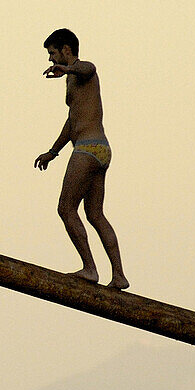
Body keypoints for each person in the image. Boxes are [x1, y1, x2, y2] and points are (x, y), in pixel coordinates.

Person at [34, 28, 129, 290]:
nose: (51, 60)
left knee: (65, 209)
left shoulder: (81, 71)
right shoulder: (71, 81)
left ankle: (90, 268)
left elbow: (89, 67)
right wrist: (52, 152)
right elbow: (72, 122)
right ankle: (119, 276)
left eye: (53, 53)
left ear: (66, 49)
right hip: (100, 151)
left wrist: (69, 69)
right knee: (95, 214)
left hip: (87, 150)